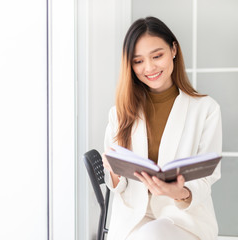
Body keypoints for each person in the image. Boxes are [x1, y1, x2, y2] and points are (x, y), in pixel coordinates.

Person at [102, 16, 222, 240]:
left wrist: (181, 193)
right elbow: (117, 187)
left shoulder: (206, 109)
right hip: (133, 220)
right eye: (138, 61)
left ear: (173, 50)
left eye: (157, 56)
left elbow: (207, 176)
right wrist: (114, 170)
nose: (149, 68)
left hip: (183, 217)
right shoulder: (120, 112)